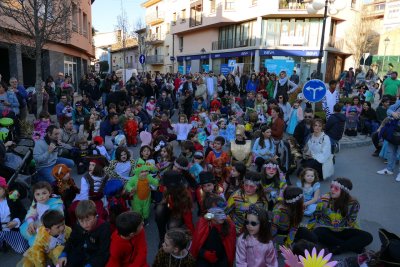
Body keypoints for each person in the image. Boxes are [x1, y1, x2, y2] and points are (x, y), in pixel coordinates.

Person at [311, 178, 373, 255]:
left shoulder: (353, 203)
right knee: (318, 232)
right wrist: (323, 205)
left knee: (368, 237)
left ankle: (338, 247)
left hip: (343, 229)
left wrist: (344, 225)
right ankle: (350, 246)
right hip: (327, 229)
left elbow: (351, 221)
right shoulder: (324, 198)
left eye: (336, 188)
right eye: (331, 187)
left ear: (344, 192)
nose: (332, 190)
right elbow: (316, 216)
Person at [57, 200, 111, 267]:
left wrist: (91, 265)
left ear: (95, 215)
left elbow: (103, 252)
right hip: (80, 252)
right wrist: (64, 253)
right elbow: (71, 240)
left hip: (95, 257)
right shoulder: (78, 224)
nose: (85, 225)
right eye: (81, 221)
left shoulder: (104, 228)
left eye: (88, 220)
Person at [191, 194, 236, 267]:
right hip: (204, 260)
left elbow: (229, 251)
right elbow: (196, 246)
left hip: (221, 260)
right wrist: (204, 254)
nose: (223, 216)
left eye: (224, 211)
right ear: (210, 214)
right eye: (218, 212)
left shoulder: (230, 226)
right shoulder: (203, 224)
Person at [20, 182, 64, 246]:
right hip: (39, 223)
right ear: (34, 196)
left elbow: (54, 220)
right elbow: (31, 212)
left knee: (34, 242)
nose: (41, 197)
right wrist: (31, 223)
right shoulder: (36, 201)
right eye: (37, 194)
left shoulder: (56, 203)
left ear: (49, 192)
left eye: (44, 193)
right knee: (24, 228)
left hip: (51, 227)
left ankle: (45, 247)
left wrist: (38, 227)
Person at [0, 176, 29, 254]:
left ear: (4, 189)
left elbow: (23, 211)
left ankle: (7, 240)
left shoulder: (12, 198)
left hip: (11, 229)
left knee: (22, 248)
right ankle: (2, 243)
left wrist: (16, 221)